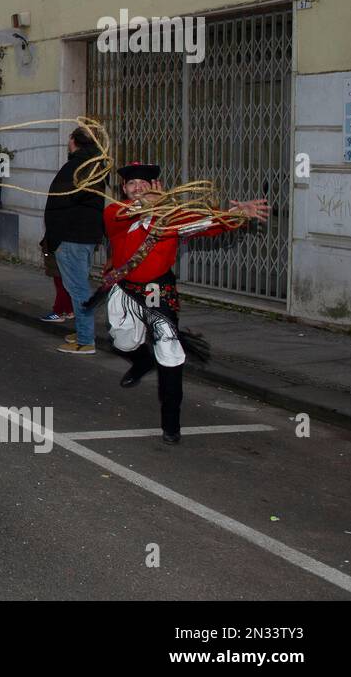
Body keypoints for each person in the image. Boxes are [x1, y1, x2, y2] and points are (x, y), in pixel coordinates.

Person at [89, 162, 270, 443]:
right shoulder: (115, 211)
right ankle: (142, 360)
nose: (139, 187)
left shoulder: (174, 217)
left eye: (144, 183)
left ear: (156, 186)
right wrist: (150, 206)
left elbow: (208, 223)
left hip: (159, 291)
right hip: (125, 290)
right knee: (123, 342)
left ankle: (171, 424)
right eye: (132, 184)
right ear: (124, 189)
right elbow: (125, 216)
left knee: (171, 354)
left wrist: (236, 215)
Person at [43, 126, 106, 355]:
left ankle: (86, 339)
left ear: (74, 141)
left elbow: (63, 202)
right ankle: (82, 331)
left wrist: (54, 237)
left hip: (71, 237)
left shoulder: (78, 167)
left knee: (78, 289)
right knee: (78, 287)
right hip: (83, 236)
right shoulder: (95, 166)